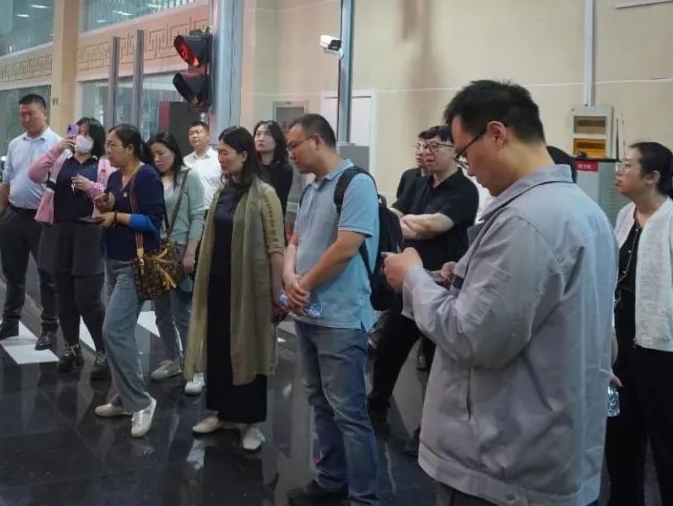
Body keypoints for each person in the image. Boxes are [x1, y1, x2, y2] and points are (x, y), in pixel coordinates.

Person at [383, 80, 617, 506]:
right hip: (550, 442)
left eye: (465, 151)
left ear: (496, 134)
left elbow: (470, 336)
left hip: (502, 461)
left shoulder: (528, 221)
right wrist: (463, 278)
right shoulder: (583, 211)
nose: (469, 168)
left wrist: (413, 278)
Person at [605, 142, 673, 505]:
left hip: (666, 353)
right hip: (624, 347)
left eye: (627, 165)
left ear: (651, 177)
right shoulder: (626, 215)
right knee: (621, 441)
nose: (619, 171)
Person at [283, 114, 381, 505]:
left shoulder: (356, 184)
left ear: (317, 140)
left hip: (340, 318)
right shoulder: (311, 190)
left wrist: (303, 284)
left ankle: (364, 497)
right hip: (308, 314)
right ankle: (330, 481)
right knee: (319, 402)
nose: (290, 154)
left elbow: (346, 247)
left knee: (349, 413)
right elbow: (295, 240)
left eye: (294, 145)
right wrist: (289, 277)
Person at [368, 124, 478, 455]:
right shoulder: (416, 181)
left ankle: (427, 431)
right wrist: (411, 223)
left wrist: (410, 223)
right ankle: (375, 409)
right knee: (388, 351)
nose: (426, 153)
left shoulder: (464, 190)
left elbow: (433, 226)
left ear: (454, 151)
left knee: (436, 365)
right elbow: (394, 218)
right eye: (423, 146)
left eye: (435, 147)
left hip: (442, 286)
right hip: (409, 286)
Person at [184, 126, 285, 453]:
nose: (221, 158)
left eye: (226, 152)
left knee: (249, 350)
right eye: (221, 151)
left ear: (244, 155)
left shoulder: (265, 194)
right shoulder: (222, 192)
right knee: (219, 347)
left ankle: (251, 424)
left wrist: (277, 293)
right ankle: (223, 413)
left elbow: (276, 247)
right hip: (219, 282)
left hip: (250, 289)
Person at [92, 124, 166, 437]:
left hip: (134, 265)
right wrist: (106, 204)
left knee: (113, 330)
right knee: (118, 332)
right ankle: (125, 397)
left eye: (113, 145)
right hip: (113, 260)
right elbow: (116, 202)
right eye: (107, 145)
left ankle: (142, 402)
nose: (107, 150)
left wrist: (117, 217)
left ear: (131, 148)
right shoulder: (114, 176)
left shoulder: (147, 177)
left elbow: (153, 222)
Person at [28, 117, 111, 380]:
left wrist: (91, 188)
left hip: (89, 233)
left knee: (88, 297)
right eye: (78, 133)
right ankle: (72, 347)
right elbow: (34, 174)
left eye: (87, 134)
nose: (81, 138)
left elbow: (110, 196)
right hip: (59, 231)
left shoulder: (103, 165)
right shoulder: (62, 161)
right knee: (63, 295)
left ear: (96, 139)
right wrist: (57, 149)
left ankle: (103, 350)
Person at [0, 93, 61, 349]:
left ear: (44, 113)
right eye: (22, 114)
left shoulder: (57, 144)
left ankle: (49, 328)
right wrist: (3, 211)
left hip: (43, 221)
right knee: (13, 273)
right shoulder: (15, 144)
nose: (26, 119)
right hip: (14, 216)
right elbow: (7, 180)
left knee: (47, 275)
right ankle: (10, 322)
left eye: (31, 114)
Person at [146, 132, 207, 388]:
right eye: (153, 155)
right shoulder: (152, 178)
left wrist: (191, 252)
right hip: (155, 250)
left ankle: (195, 368)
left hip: (179, 248)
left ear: (174, 151)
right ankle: (173, 359)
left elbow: (198, 216)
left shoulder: (189, 177)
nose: (157, 159)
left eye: (162, 153)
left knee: (182, 311)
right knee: (161, 311)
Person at [254, 119, 294, 207]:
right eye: (258, 134)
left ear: (277, 140)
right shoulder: (250, 166)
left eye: (267, 134)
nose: (261, 139)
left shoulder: (284, 170)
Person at [184, 120, 223, 203]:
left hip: (213, 207)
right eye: (191, 134)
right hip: (191, 208)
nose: (194, 136)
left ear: (208, 136)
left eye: (198, 132)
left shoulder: (219, 159)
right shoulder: (185, 161)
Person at [396, 129, 432, 201]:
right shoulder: (408, 175)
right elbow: (400, 202)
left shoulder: (437, 180)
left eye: (425, 147)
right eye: (418, 146)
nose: (419, 152)